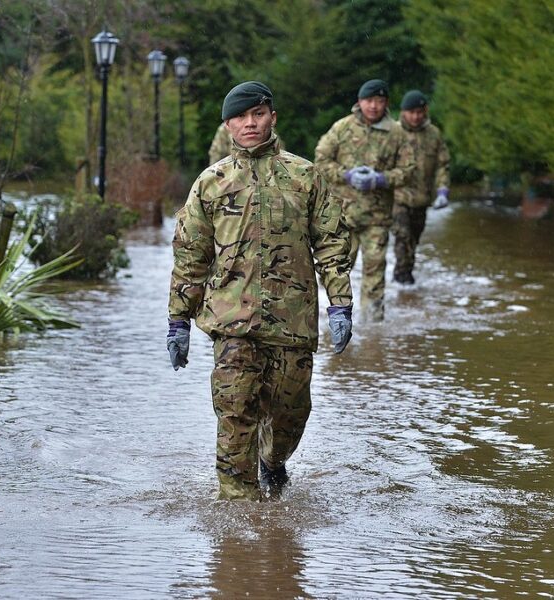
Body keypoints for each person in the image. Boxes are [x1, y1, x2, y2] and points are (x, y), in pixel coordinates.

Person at [167, 81, 353, 501]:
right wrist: (178, 319)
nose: (249, 123)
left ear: (272, 117)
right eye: (240, 117)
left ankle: (272, 460)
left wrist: (340, 304)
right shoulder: (211, 183)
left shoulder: (305, 175)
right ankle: (238, 521)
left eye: (258, 114)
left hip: (292, 319)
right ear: (227, 125)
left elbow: (331, 244)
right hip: (231, 320)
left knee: (290, 415)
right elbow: (190, 255)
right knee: (235, 414)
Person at [315, 79, 415, 322]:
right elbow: (321, 160)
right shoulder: (342, 128)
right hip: (343, 216)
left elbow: (409, 169)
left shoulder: (397, 132)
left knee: (375, 271)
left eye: (379, 101)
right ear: (359, 102)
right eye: (369, 101)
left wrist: (381, 179)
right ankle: (334, 319)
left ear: (386, 104)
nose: (373, 106)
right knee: (336, 270)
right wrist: (345, 175)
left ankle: (372, 327)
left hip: (377, 217)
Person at [392, 89, 451, 284]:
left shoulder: (433, 134)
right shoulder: (393, 133)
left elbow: (443, 165)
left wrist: (442, 190)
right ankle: (403, 280)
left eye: (419, 112)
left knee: (413, 241)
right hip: (397, 199)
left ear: (425, 111)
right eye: (412, 112)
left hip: (422, 199)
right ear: (403, 112)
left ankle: (404, 279)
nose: (416, 116)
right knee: (403, 238)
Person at [208, 121, 285, 164]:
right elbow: (217, 153)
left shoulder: (264, 126)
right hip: (235, 169)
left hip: (266, 166)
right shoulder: (225, 129)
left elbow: (279, 149)